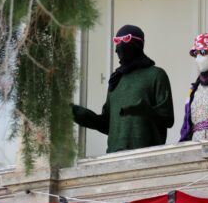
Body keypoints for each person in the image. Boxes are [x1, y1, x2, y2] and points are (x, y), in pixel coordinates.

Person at [72, 25, 174, 153]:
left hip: (147, 154)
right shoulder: (116, 80)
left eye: (126, 39)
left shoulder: (156, 75)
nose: (120, 45)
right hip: (114, 156)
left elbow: (168, 118)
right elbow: (107, 124)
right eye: (117, 41)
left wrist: (145, 110)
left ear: (138, 43)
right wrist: (77, 113)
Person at [179, 32, 208, 142]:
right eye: (195, 54)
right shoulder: (195, 88)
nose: (198, 58)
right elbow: (187, 124)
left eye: (203, 52)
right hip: (195, 146)